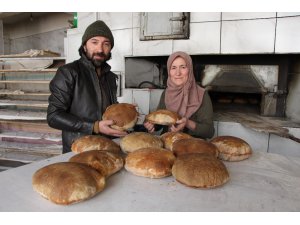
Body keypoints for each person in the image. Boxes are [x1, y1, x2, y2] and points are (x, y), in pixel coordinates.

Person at [47, 20, 127, 153]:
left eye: (106, 44)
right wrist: (94, 126)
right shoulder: (68, 72)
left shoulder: (110, 77)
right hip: (79, 149)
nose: (100, 49)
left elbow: (108, 109)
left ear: (110, 48)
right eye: (94, 42)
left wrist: (125, 112)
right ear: (84, 46)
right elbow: (53, 116)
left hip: (107, 147)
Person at [144, 51, 215, 139]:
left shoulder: (202, 95)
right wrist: (152, 126)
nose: (178, 73)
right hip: (167, 142)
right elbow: (161, 122)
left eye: (183, 67)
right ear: (169, 71)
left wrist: (188, 123)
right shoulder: (166, 93)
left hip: (193, 146)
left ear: (190, 69)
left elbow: (209, 132)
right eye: (173, 68)